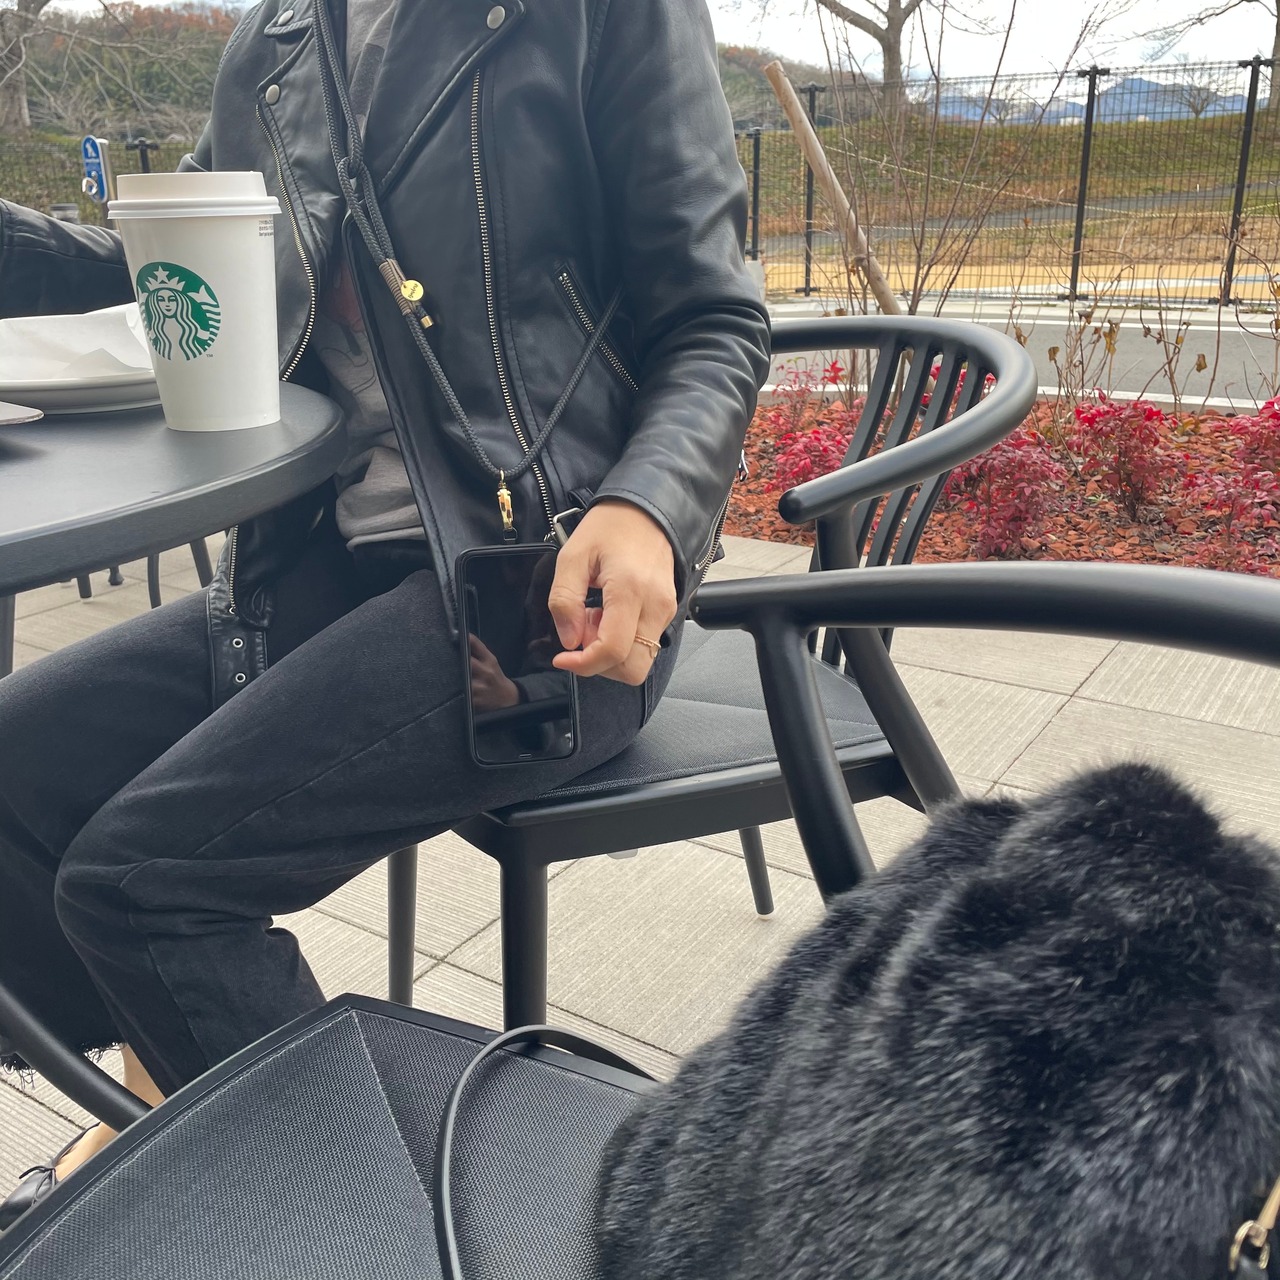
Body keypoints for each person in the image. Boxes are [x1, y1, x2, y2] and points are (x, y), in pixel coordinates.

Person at [0, 0, 769, 1228]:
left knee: (140, 883)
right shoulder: (278, 42)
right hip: (320, 566)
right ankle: (169, 1114)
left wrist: (648, 506)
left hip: (538, 589)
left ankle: (368, 1227)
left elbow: (713, 318)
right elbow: (175, 263)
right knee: (14, 763)